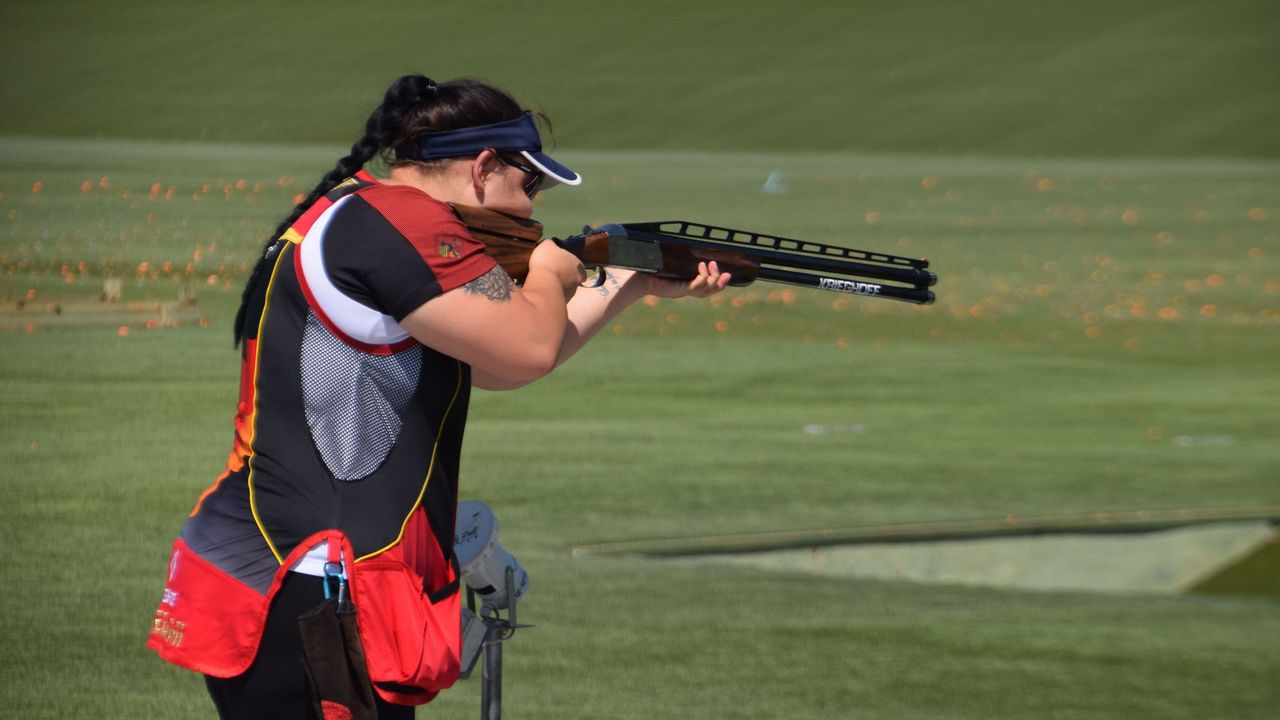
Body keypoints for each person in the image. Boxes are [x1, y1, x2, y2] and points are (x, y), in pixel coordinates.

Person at [146, 74, 729, 719]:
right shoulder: (406, 223)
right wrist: (549, 271)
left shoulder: (360, 211)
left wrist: (625, 283)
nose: (529, 210)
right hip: (324, 589)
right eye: (526, 184)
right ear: (483, 167)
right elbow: (526, 348)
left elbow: (500, 361)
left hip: (286, 575)